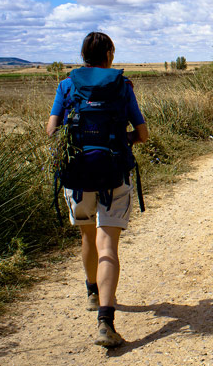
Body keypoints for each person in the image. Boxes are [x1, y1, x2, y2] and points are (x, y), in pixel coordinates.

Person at [46, 32, 148, 347]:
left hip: (76, 176)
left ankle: (92, 292)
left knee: (87, 235)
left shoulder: (66, 85)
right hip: (114, 175)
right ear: (109, 55)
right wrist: (118, 141)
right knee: (109, 246)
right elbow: (142, 134)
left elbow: (52, 131)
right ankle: (106, 320)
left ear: (83, 56)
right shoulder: (122, 85)